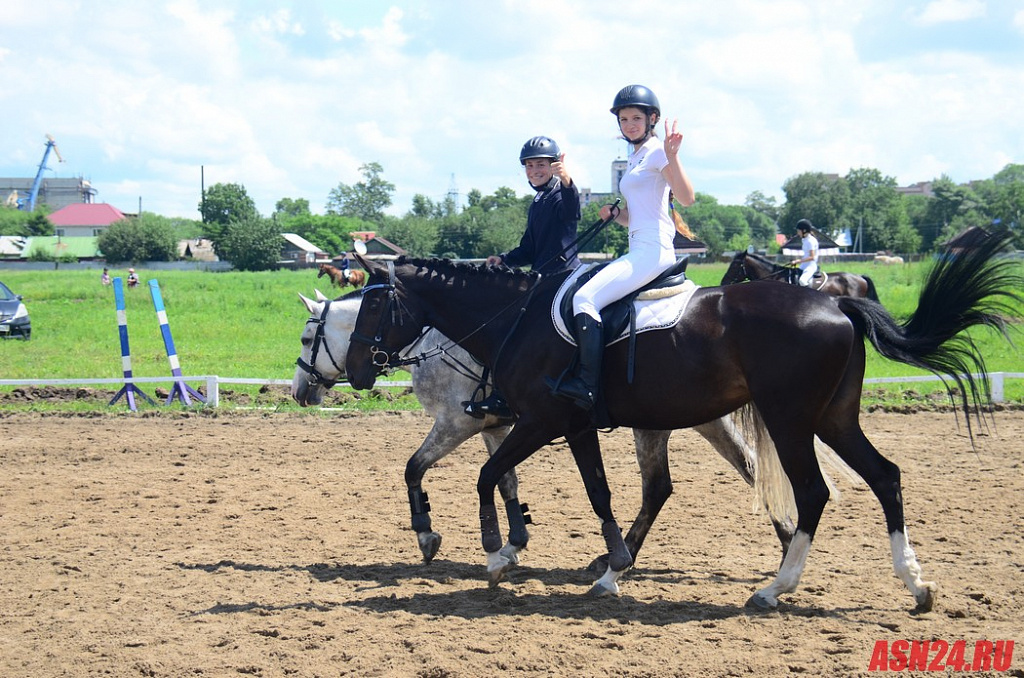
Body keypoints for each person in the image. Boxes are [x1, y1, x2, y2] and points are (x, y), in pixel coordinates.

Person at [549, 84, 695, 410]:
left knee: (585, 298)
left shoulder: (658, 152)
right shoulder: (635, 157)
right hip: (640, 246)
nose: (629, 124)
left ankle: (587, 385)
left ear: (651, 119)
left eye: (636, 118)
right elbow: (641, 217)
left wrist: (673, 156)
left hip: (653, 251)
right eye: (624, 119)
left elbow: (686, 198)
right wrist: (618, 215)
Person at [467, 136, 583, 422]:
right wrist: (504, 259)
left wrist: (568, 180)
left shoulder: (559, 194)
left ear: (554, 165)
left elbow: (572, 209)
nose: (534, 171)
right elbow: (529, 249)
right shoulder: (538, 200)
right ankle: (505, 393)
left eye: (541, 165)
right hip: (541, 279)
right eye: (529, 166)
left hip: (564, 277)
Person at [792, 219, 819, 287]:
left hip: (810, 266)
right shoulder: (805, 240)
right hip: (804, 265)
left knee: (802, 281)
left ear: (804, 231)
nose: (798, 233)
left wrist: (798, 261)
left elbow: (812, 257)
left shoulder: (810, 241)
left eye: (798, 231)